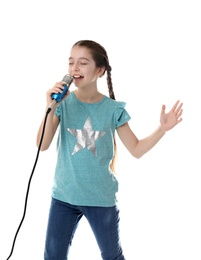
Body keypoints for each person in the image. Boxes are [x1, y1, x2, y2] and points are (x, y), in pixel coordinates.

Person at [36, 40, 183, 260]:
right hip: (63, 197)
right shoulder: (62, 104)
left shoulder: (113, 110)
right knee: (53, 256)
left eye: (82, 63)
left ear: (100, 70)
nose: (74, 68)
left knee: (112, 256)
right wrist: (50, 106)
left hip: (100, 198)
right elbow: (42, 145)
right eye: (71, 62)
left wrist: (161, 129)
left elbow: (136, 149)